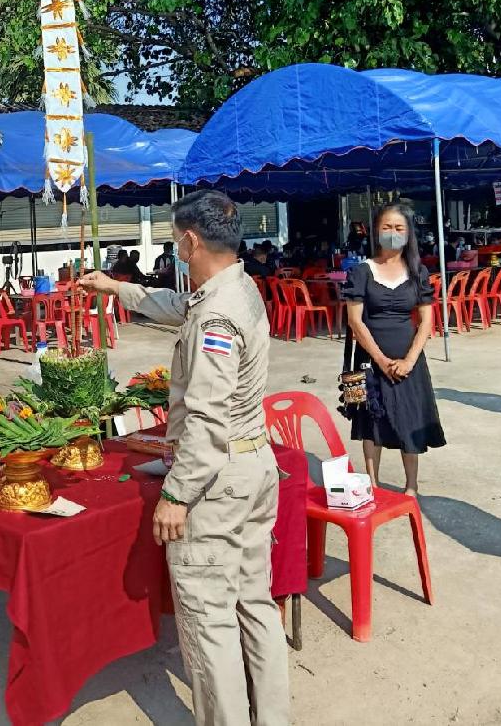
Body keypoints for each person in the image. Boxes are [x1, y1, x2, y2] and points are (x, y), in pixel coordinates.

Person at [79, 190, 289, 726]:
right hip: (254, 465)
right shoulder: (236, 288)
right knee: (255, 603)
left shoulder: (216, 318)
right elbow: (175, 307)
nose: (175, 250)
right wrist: (115, 287)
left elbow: (207, 419)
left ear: (191, 241)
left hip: (219, 479)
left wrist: (177, 494)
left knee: (208, 620)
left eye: (175, 241)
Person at [342, 203, 445, 495]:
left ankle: (411, 486)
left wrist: (409, 360)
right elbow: (355, 321)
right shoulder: (361, 271)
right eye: (386, 227)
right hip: (369, 360)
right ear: (376, 230)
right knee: (370, 423)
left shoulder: (418, 272)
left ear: (408, 233)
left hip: (409, 361)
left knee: (409, 418)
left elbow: (426, 321)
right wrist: (381, 360)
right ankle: (372, 484)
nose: (392, 232)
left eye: (399, 228)